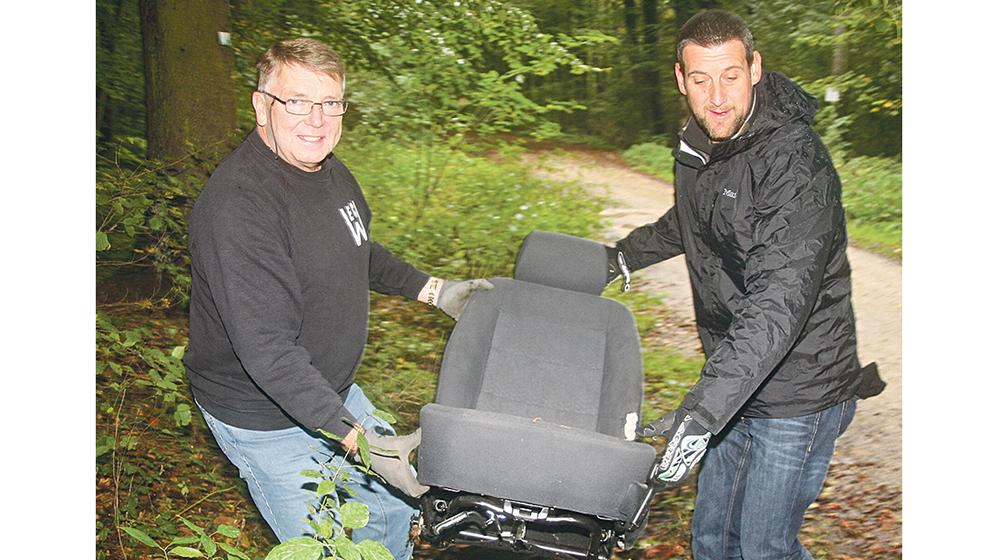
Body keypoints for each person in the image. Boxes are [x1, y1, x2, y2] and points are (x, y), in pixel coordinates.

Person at [184, 38, 491, 559]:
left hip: (333, 393)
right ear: (262, 105)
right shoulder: (240, 208)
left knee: (394, 513)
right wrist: (358, 439)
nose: (317, 120)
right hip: (265, 419)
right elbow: (268, 351)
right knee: (327, 550)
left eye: (330, 104)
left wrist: (437, 291)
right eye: (297, 102)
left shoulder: (329, 171)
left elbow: (357, 249)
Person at [605, 10, 869, 559]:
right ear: (681, 80)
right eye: (701, 80)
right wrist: (620, 259)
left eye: (729, 75)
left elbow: (778, 301)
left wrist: (702, 413)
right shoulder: (701, 145)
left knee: (762, 550)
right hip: (736, 381)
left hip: (799, 391)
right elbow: (692, 220)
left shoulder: (796, 165)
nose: (717, 96)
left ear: (754, 68)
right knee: (713, 540)